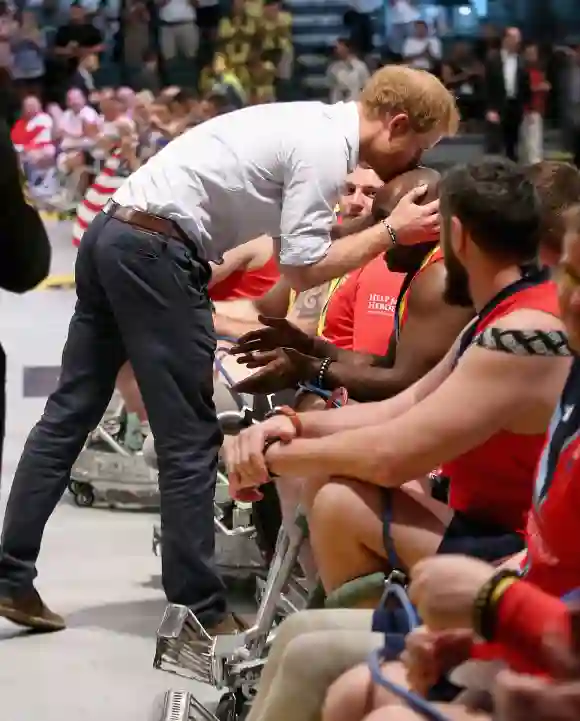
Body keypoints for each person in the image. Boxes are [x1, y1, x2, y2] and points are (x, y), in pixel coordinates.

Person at [0, 66, 458, 634]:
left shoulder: (306, 120)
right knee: (191, 433)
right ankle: (199, 608)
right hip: (155, 250)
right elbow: (303, 267)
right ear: (395, 124)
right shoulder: (323, 149)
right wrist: (394, 231)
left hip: (114, 232)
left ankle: (10, 575)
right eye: (421, 147)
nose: (413, 163)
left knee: (69, 412)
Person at [224, 158, 569, 602]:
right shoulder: (501, 315)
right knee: (337, 493)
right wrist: (292, 425)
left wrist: (270, 458)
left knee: (339, 503)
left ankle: (372, 655)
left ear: (457, 235)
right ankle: (365, 646)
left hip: (525, 556)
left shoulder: (519, 334)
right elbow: (404, 405)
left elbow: (393, 455)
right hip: (497, 530)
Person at [231, 167, 474, 401]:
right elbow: (383, 365)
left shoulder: (438, 278)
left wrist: (309, 369)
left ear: (429, 221)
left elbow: (406, 385)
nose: (378, 233)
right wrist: (308, 346)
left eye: (385, 222)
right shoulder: (419, 267)